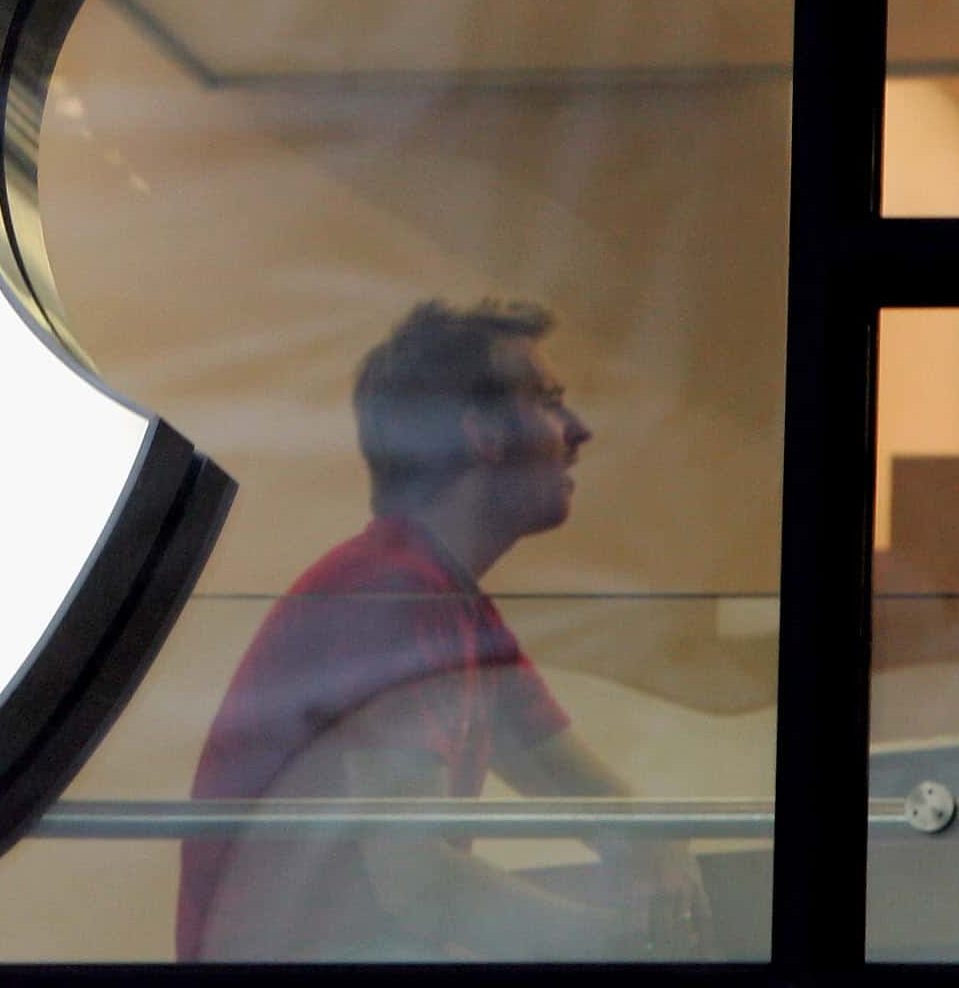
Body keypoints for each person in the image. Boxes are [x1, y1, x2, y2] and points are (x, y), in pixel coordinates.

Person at [175, 299, 709, 961]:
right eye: (548, 401)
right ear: (482, 434)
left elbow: (571, 781)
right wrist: (614, 944)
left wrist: (651, 842)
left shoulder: (434, 593)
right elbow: (421, 883)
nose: (579, 430)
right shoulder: (395, 597)